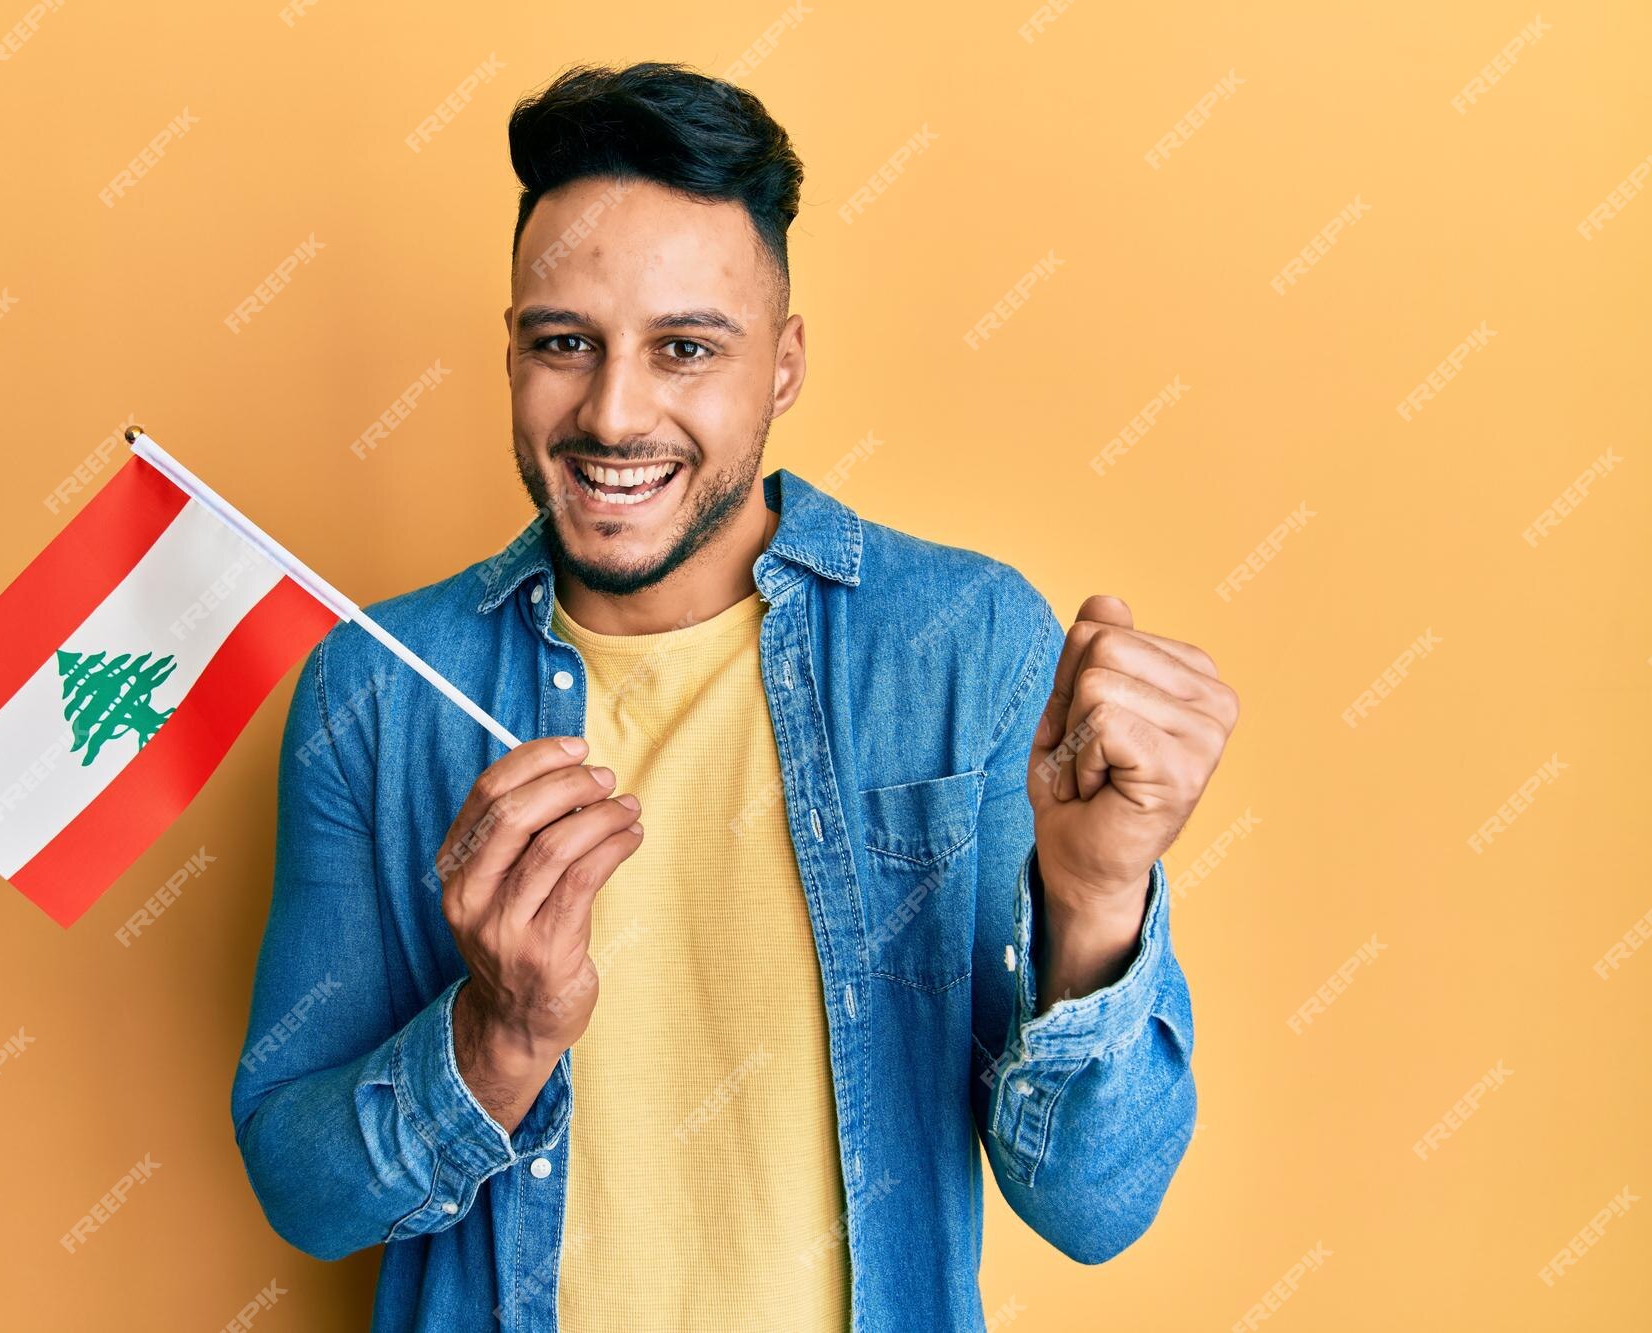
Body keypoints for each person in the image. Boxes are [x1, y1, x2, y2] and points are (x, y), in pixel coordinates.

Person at [231, 61, 1238, 1333]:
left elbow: (1096, 1206)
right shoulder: (376, 690)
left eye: (685, 349)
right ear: (509, 354)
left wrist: (1093, 899)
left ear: (782, 367)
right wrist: (496, 1038)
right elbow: (300, 1188)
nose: (611, 412)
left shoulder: (962, 646)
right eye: (563, 344)